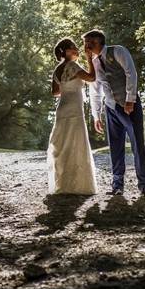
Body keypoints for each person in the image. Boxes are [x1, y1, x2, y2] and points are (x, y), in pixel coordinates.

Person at [82, 29, 145, 196]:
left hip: (129, 106)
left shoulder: (118, 50)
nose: (85, 46)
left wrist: (130, 100)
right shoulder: (94, 62)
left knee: (137, 144)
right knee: (115, 147)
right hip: (111, 108)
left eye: (87, 42)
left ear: (96, 41)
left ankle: (143, 184)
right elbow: (95, 90)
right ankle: (117, 185)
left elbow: (131, 73)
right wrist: (96, 115)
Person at [46, 38, 97, 195]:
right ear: (67, 51)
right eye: (74, 47)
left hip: (62, 108)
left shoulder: (57, 70)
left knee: (63, 143)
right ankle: (77, 185)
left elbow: (55, 92)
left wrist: (67, 88)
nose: (77, 49)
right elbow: (92, 77)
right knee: (76, 143)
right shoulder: (73, 66)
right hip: (74, 109)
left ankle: (63, 184)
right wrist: (90, 59)